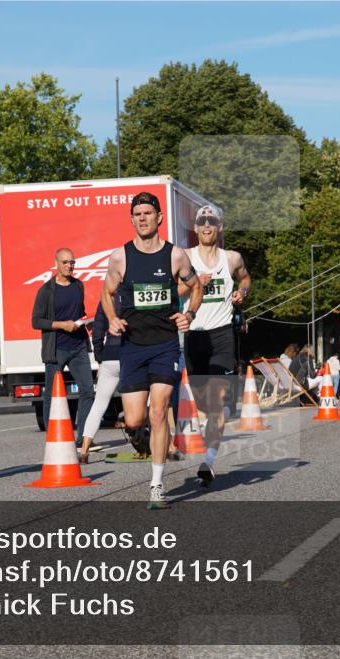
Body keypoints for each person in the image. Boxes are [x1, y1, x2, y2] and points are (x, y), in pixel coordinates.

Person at [101, 191, 203, 510]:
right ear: (132, 219)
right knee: (133, 420)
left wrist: (189, 314)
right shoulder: (121, 257)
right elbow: (106, 292)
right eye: (137, 214)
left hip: (164, 345)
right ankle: (145, 439)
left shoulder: (175, 256)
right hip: (132, 347)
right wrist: (113, 318)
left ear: (159, 217)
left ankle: (157, 487)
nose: (143, 218)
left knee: (158, 411)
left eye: (148, 212)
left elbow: (196, 286)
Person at [181, 204, 251, 488]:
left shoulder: (231, 258)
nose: (207, 226)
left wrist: (241, 292)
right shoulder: (184, 258)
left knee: (217, 403)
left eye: (212, 222)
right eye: (202, 222)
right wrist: (193, 284)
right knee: (203, 405)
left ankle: (208, 461)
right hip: (194, 335)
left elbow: (245, 278)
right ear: (196, 228)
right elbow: (173, 292)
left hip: (221, 335)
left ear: (220, 227)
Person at [31, 247, 95, 446]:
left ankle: (83, 437)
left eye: (72, 262)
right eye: (66, 262)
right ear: (56, 263)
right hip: (57, 348)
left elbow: (80, 311)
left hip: (79, 347)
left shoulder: (79, 286)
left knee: (88, 392)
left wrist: (87, 322)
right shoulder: (46, 291)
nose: (70, 266)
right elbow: (36, 321)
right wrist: (62, 325)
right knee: (52, 393)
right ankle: (54, 437)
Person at [78, 294, 122, 464]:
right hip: (131, 356)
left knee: (98, 405)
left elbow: (97, 331)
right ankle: (167, 448)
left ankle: (84, 451)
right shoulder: (134, 294)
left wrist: (100, 358)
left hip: (110, 356)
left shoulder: (105, 298)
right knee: (148, 403)